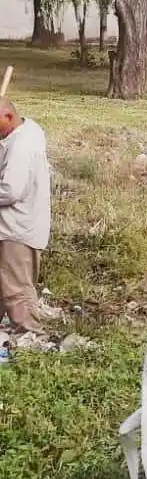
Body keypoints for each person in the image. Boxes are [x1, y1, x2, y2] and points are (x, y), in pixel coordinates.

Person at [0, 98, 51, 335]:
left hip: (16, 230)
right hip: (19, 226)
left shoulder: (21, 147)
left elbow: (11, 190)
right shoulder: (29, 129)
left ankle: (32, 336)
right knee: (5, 283)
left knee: (17, 289)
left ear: (8, 117)